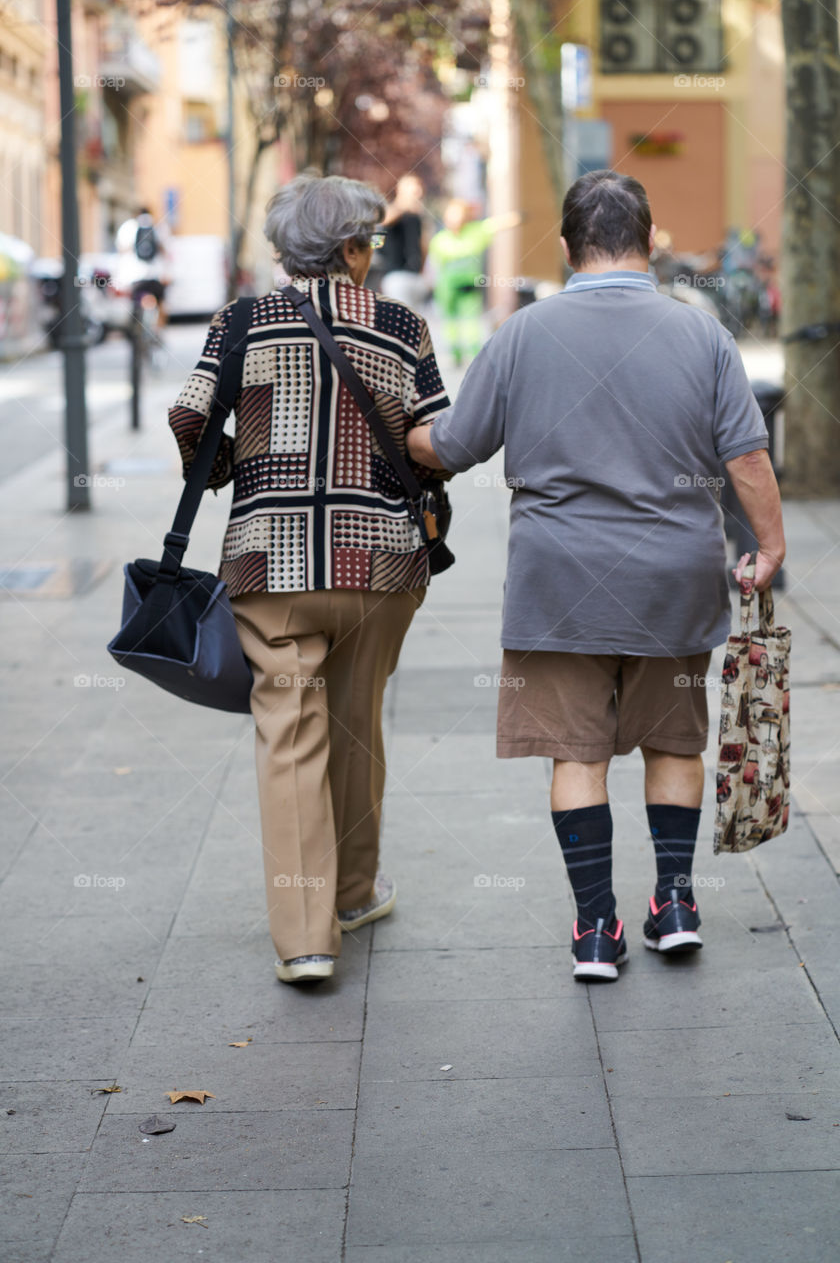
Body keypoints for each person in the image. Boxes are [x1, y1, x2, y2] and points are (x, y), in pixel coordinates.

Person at [407, 169, 785, 982]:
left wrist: (402, 433)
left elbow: (453, 447)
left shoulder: (520, 333)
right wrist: (770, 545)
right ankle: (674, 904)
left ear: (568, 247)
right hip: (675, 577)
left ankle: (593, 932)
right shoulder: (701, 336)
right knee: (673, 742)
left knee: (575, 754)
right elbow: (746, 456)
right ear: (647, 243)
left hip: (557, 581)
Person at [168, 174, 450, 984]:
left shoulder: (241, 322)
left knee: (288, 735)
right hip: (379, 563)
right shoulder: (400, 325)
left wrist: (230, 466)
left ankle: (305, 939)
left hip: (269, 561)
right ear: (354, 249)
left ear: (285, 250)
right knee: (356, 723)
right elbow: (431, 438)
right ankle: (356, 895)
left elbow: (189, 417)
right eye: (368, 243)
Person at [428, 199, 520, 365]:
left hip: (469, 284)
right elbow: (435, 265)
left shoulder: (475, 232)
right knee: (450, 320)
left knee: (471, 318)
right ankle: (454, 352)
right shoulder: (440, 239)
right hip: (447, 287)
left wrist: (517, 217)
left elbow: (496, 224)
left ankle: (474, 353)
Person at [115, 206, 171, 331]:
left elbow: (121, 252)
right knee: (161, 303)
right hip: (156, 276)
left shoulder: (128, 227)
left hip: (134, 278)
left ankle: (134, 331)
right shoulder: (159, 227)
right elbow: (166, 253)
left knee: (134, 305)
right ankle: (158, 331)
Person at [380, 174, 429, 310]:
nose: (417, 193)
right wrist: (403, 205)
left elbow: (423, 245)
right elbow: (381, 226)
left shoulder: (416, 217)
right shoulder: (391, 211)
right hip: (396, 276)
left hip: (416, 277)